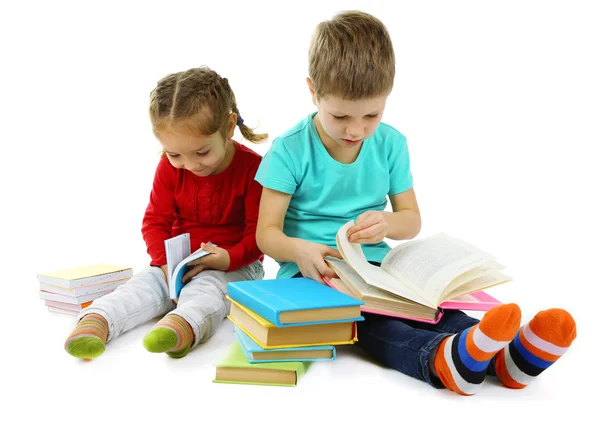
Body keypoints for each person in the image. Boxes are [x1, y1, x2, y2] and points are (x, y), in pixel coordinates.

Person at [254, 11, 576, 395]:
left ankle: (510, 357)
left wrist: (387, 224)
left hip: (376, 268)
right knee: (371, 324)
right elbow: (266, 234)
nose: (356, 129)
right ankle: (437, 360)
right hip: (312, 275)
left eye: (372, 114)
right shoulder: (289, 150)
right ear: (312, 91)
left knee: (431, 309)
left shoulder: (390, 144)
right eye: (340, 115)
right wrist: (298, 250)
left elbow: (411, 220)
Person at [64, 66, 266, 360]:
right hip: (176, 262)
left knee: (210, 293)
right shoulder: (170, 168)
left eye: (202, 152)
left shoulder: (253, 169)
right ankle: (98, 320)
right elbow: (155, 221)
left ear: (229, 125)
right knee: (141, 287)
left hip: (236, 262)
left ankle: (182, 326)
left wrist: (228, 258)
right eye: (175, 154)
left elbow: (260, 233)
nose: (191, 165)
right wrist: (164, 263)